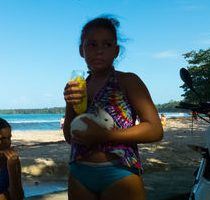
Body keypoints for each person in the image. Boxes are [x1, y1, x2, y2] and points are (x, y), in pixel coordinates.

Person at [62, 17, 163, 200]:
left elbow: (155, 129)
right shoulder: (79, 87)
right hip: (79, 173)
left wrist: (106, 136)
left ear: (116, 51)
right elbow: (71, 138)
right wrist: (70, 102)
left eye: (107, 45)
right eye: (92, 45)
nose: (99, 51)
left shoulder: (128, 81)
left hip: (119, 172)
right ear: (81, 50)